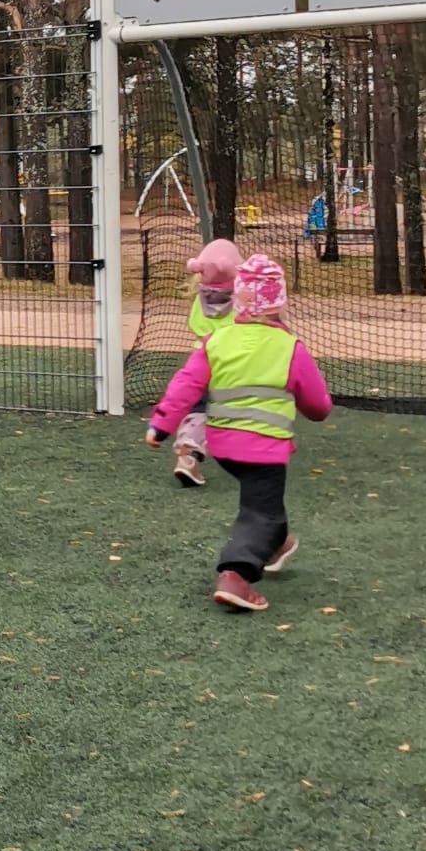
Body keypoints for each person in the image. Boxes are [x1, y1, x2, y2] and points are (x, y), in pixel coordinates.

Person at [145, 252, 332, 614]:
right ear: (279, 303)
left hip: (224, 448)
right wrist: (317, 409)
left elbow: (186, 384)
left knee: (265, 505)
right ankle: (234, 574)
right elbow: (318, 405)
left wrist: (161, 424)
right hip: (265, 449)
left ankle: (276, 543)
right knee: (261, 512)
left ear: (237, 299)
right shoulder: (289, 348)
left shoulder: (216, 341)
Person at [169, 237, 241, 488]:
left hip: (200, 363)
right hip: (233, 364)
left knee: (197, 409)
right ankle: (243, 452)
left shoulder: (200, 302)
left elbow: (195, 326)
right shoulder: (241, 302)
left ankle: (187, 457)